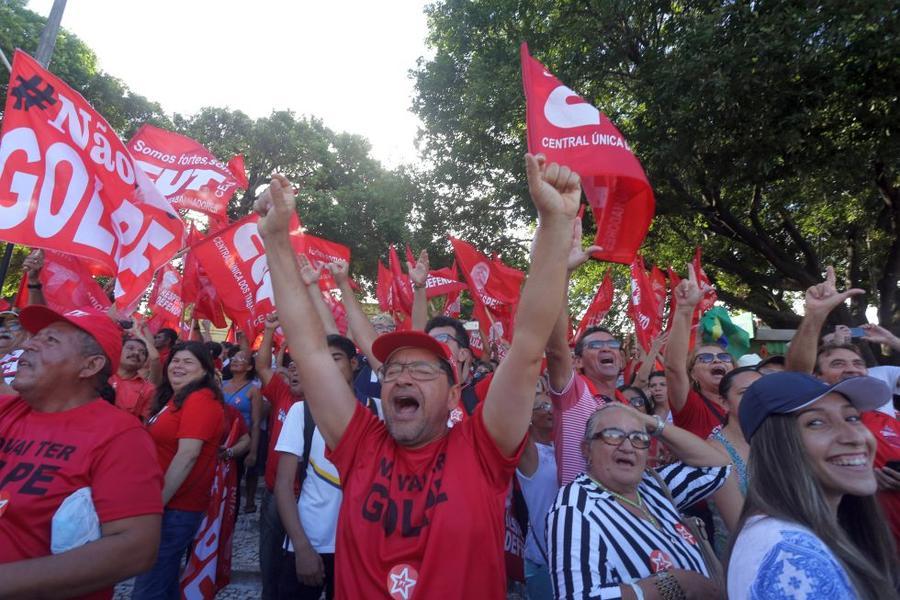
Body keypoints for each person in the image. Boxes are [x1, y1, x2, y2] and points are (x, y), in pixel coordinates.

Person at [257, 152, 578, 598]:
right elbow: (310, 350)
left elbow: (527, 346)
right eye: (393, 370)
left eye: (422, 369)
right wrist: (276, 239)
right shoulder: (360, 444)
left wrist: (555, 226)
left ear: (453, 395)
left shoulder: (482, 450)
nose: (402, 377)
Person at [0, 306, 163, 598]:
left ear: (89, 366)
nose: (27, 343)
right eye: (34, 337)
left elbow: (136, 549)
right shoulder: (7, 411)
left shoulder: (120, 436)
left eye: (50, 340)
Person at [727, 372, 897, 599]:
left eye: (852, 418)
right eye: (816, 423)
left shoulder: (820, 531)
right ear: (775, 445)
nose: (854, 437)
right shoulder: (791, 558)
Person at [547, 402, 730, 599]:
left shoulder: (653, 485)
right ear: (586, 449)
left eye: (638, 438)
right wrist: (675, 585)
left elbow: (717, 467)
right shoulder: (575, 509)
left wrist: (650, 423)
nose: (628, 447)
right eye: (613, 435)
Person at [132, 341, 225, 600]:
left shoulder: (200, 400)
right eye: (175, 360)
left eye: (188, 362)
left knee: (150, 586)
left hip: (175, 506)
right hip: (165, 502)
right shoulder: (174, 398)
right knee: (163, 581)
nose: (178, 366)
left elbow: (187, 455)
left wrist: (156, 505)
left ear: (206, 371)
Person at [273, 333, 361, 600]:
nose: (329, 367)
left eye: (336, 358)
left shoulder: (376, 412)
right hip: (312, 541)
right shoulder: (302, 412)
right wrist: (301, 547)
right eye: (323, 361)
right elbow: (284, 485)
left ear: (354, 363)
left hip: (359, 547)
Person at [255, 314, 304, 600]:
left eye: (302, 368)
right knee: (270, 555)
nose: (295, 372)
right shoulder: (282, 394)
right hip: (276, 493)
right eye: (292, 368)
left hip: (308, 496)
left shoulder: (325, 404)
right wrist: (270, 330)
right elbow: (262, 365)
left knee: (300, 559)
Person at [664, 265, 735, 439]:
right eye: (706, 358)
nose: (717, 361)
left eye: (724, 357)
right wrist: (685, 309)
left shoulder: (749, 405)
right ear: (692, 374)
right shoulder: (690, 407)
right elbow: (674, 368)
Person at [706, 366, 761, 553]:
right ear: (724, 403)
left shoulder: (776, 442)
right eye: (745, 393)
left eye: (761, 391)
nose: (756, 398)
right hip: (741, 554)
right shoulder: (713, 451)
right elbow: (738, 525)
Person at [515, 376, 557, 599]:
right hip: (543, 561)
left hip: (573, 555)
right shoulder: (528, 453)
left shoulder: (563, 447)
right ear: (529, 416)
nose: (550, 410)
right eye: (542, 406)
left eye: (552, 405)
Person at [222, 347, 263, 513]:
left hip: (240, 442)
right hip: (220, 439)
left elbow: (256, 423)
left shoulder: (253, 390)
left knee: (234, 481)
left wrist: (253, 452)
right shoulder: (220, 384)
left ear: (249, 367)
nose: (235, 360)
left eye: (241, 359)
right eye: (234, 358)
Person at [111, 324, 161, 422]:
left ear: (144, 363)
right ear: (119, 350)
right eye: (130, 348)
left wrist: (138, 333)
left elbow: (142, 423)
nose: (136, 353)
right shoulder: (100, 374)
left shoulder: (148, 389)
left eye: (142, 352)